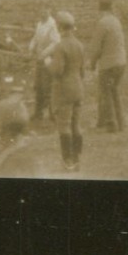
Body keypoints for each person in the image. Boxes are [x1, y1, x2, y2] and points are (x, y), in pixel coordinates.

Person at [46, 10, 86, 171]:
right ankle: (76, 158)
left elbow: (57, 71)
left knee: (64, 125)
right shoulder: (79, 45)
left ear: (60, 27)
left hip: (64, 90)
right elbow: (82, 70)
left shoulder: (60, 46)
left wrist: (48, 62)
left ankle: (68, 160)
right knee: (76, 124)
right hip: (78, 87)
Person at [91, 0, 127, 132]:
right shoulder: (116, 21)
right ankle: (121, 122)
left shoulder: (102, 23)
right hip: (121, 62)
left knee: (106, 93)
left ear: (101, 10)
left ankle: (111, 124)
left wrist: (92, 63)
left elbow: (96, 48)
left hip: (109, 64)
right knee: (114, 91)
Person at [28, 6, 60, 124]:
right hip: (40, 58)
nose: (43, 12)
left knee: (48, 86)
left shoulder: (52, 25)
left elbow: (55, 42)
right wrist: (31, 47)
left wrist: (44, 53)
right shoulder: (39, 24)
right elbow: (36, 38)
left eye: (46, 10)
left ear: (49, 11)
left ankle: (53, 113)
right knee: (39, 85)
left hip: (48, 58)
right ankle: (38, 113)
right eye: (41, 10)